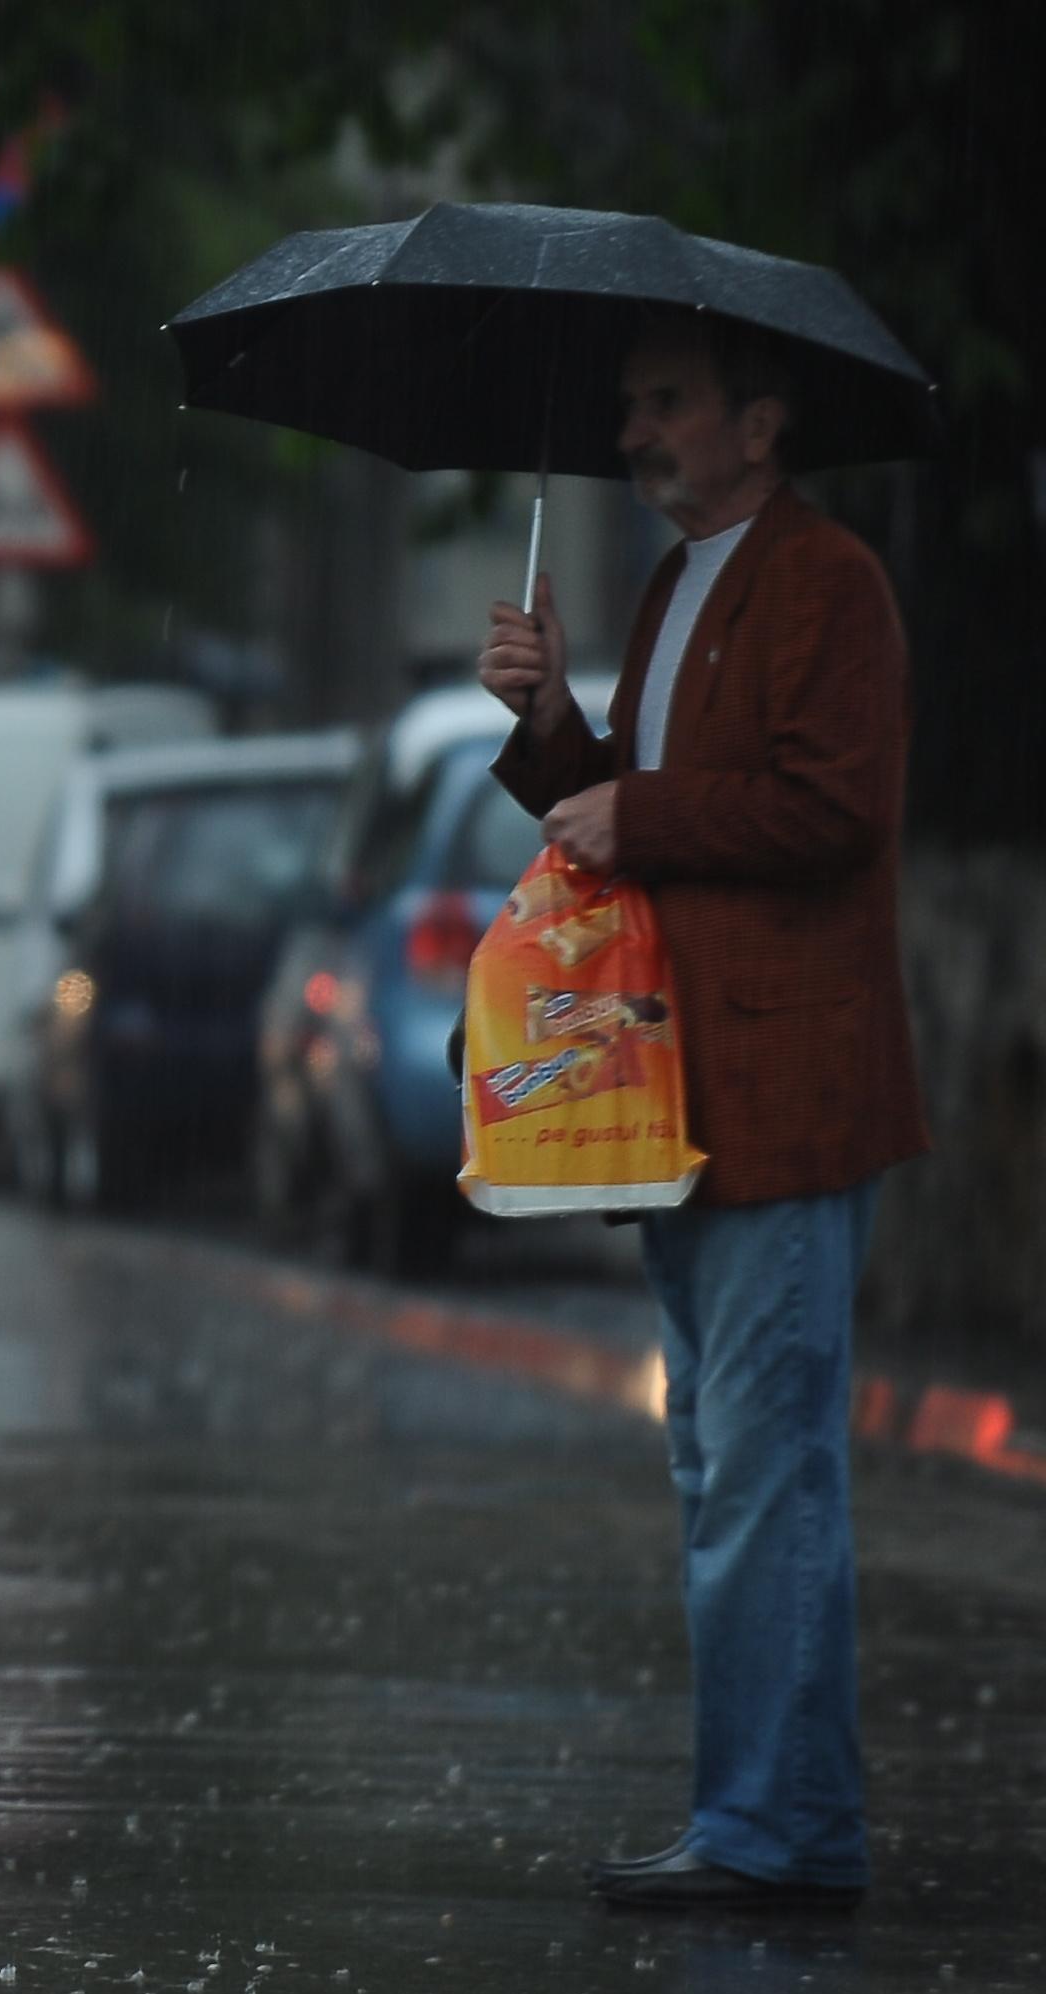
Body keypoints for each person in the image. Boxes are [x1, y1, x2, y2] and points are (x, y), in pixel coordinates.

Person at [478, 307, 923, 1910]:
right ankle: (757, 1814)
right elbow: (630, 813)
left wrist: (635, 801)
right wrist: (546, 729)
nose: (636, 433)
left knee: (766, 1469)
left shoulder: (827, 585)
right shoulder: (676, 588)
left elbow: (830, 804)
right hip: (686, 1101)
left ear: (762, 419)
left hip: (792, 1097)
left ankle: (780, 1832)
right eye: (629, 407)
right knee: (717, 1466)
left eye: (666, 404)